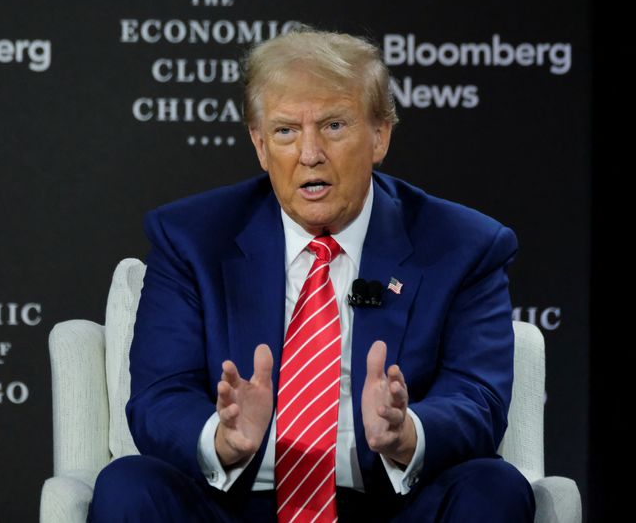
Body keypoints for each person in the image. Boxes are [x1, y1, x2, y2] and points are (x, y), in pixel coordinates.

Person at [88, 27, 535, 522]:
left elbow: (478, 395)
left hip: (390, 505)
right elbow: (159, 395)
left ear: (380, 135)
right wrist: (223, 437)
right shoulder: (193, 239)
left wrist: (406, 431)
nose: (309, 153)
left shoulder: (462, 246)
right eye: (285, 131)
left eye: (334, 126)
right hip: (235, 505)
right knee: (129, 485)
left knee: (495, 488)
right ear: (260, 145)